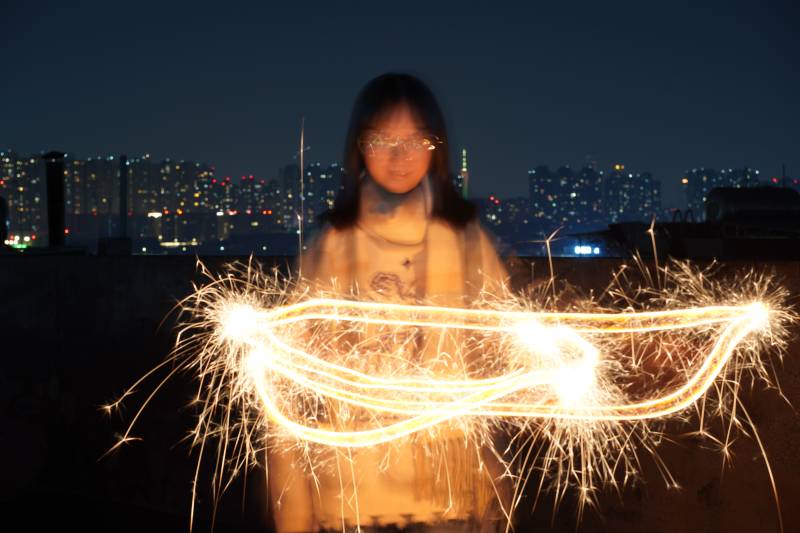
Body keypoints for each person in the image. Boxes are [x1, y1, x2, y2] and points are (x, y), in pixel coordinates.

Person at [268, 72, 512, 533]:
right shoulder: (333, 247)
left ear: (435, 146)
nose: (399, 156)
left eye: (415, 139)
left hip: (449, 499)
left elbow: (496, 361)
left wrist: (494, 488)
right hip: (353, 495)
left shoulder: (466, 243)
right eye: (382, 139)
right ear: (359, 146)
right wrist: (293, 507)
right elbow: (289, 379)